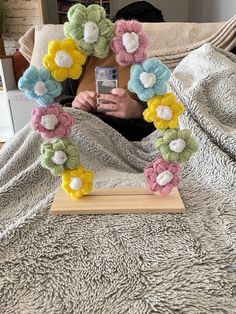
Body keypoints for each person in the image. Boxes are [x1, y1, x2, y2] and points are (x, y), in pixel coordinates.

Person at [69, 50, 155, 141]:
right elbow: (57, 102)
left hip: (123, 134)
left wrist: (138, 111)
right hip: (78, 126)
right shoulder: (73, 54)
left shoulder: (151, 59)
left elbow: (165, 114)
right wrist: (75, 103)